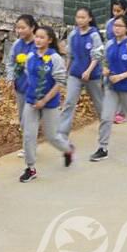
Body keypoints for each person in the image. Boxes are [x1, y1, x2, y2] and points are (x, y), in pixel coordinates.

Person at [90, 16, 127, 161]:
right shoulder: (109, 44)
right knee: (106, 117)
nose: (116, 28)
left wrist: (121, 76)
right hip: (112, 87)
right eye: (115, 25)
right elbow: (105, 61)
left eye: (120, 26)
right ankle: (102, 148)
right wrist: (105, 69)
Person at [20, 26, 74, 182]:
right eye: (36, 37)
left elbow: (60, 82)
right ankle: (30, 168)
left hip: (49, 103)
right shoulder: (31, 56)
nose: (37, 40)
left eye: (42, 37)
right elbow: (28, 74)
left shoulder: (55, 58)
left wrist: (44, 100)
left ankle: (68, 149)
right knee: (28, 135)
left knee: (52, 136)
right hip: (31, 101)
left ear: (49, 40)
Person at [58, 7, 104, 143]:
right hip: (75, 74)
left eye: (83, 17)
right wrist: (65, 71)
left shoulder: (94, 35)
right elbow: (70, 55)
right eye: (78, 17)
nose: (80, 20)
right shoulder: (73, 34)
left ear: (90, 19)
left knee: (99, 103)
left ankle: (105, 126)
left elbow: (97, 56)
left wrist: (88, 71)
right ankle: (62, 133)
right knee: (69, 102)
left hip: (92, 76)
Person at [8, 15, 37, 157]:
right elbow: (10, 62)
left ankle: (29, 148)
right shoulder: (17, 45)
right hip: (20, 87)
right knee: (22, 118)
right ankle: (30, 145)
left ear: (32, 28)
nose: (19, 31)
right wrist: (10, 77)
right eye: (17, 28)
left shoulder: (38, 44)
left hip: (35, 89)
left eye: (23, 28)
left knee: (28, 119)